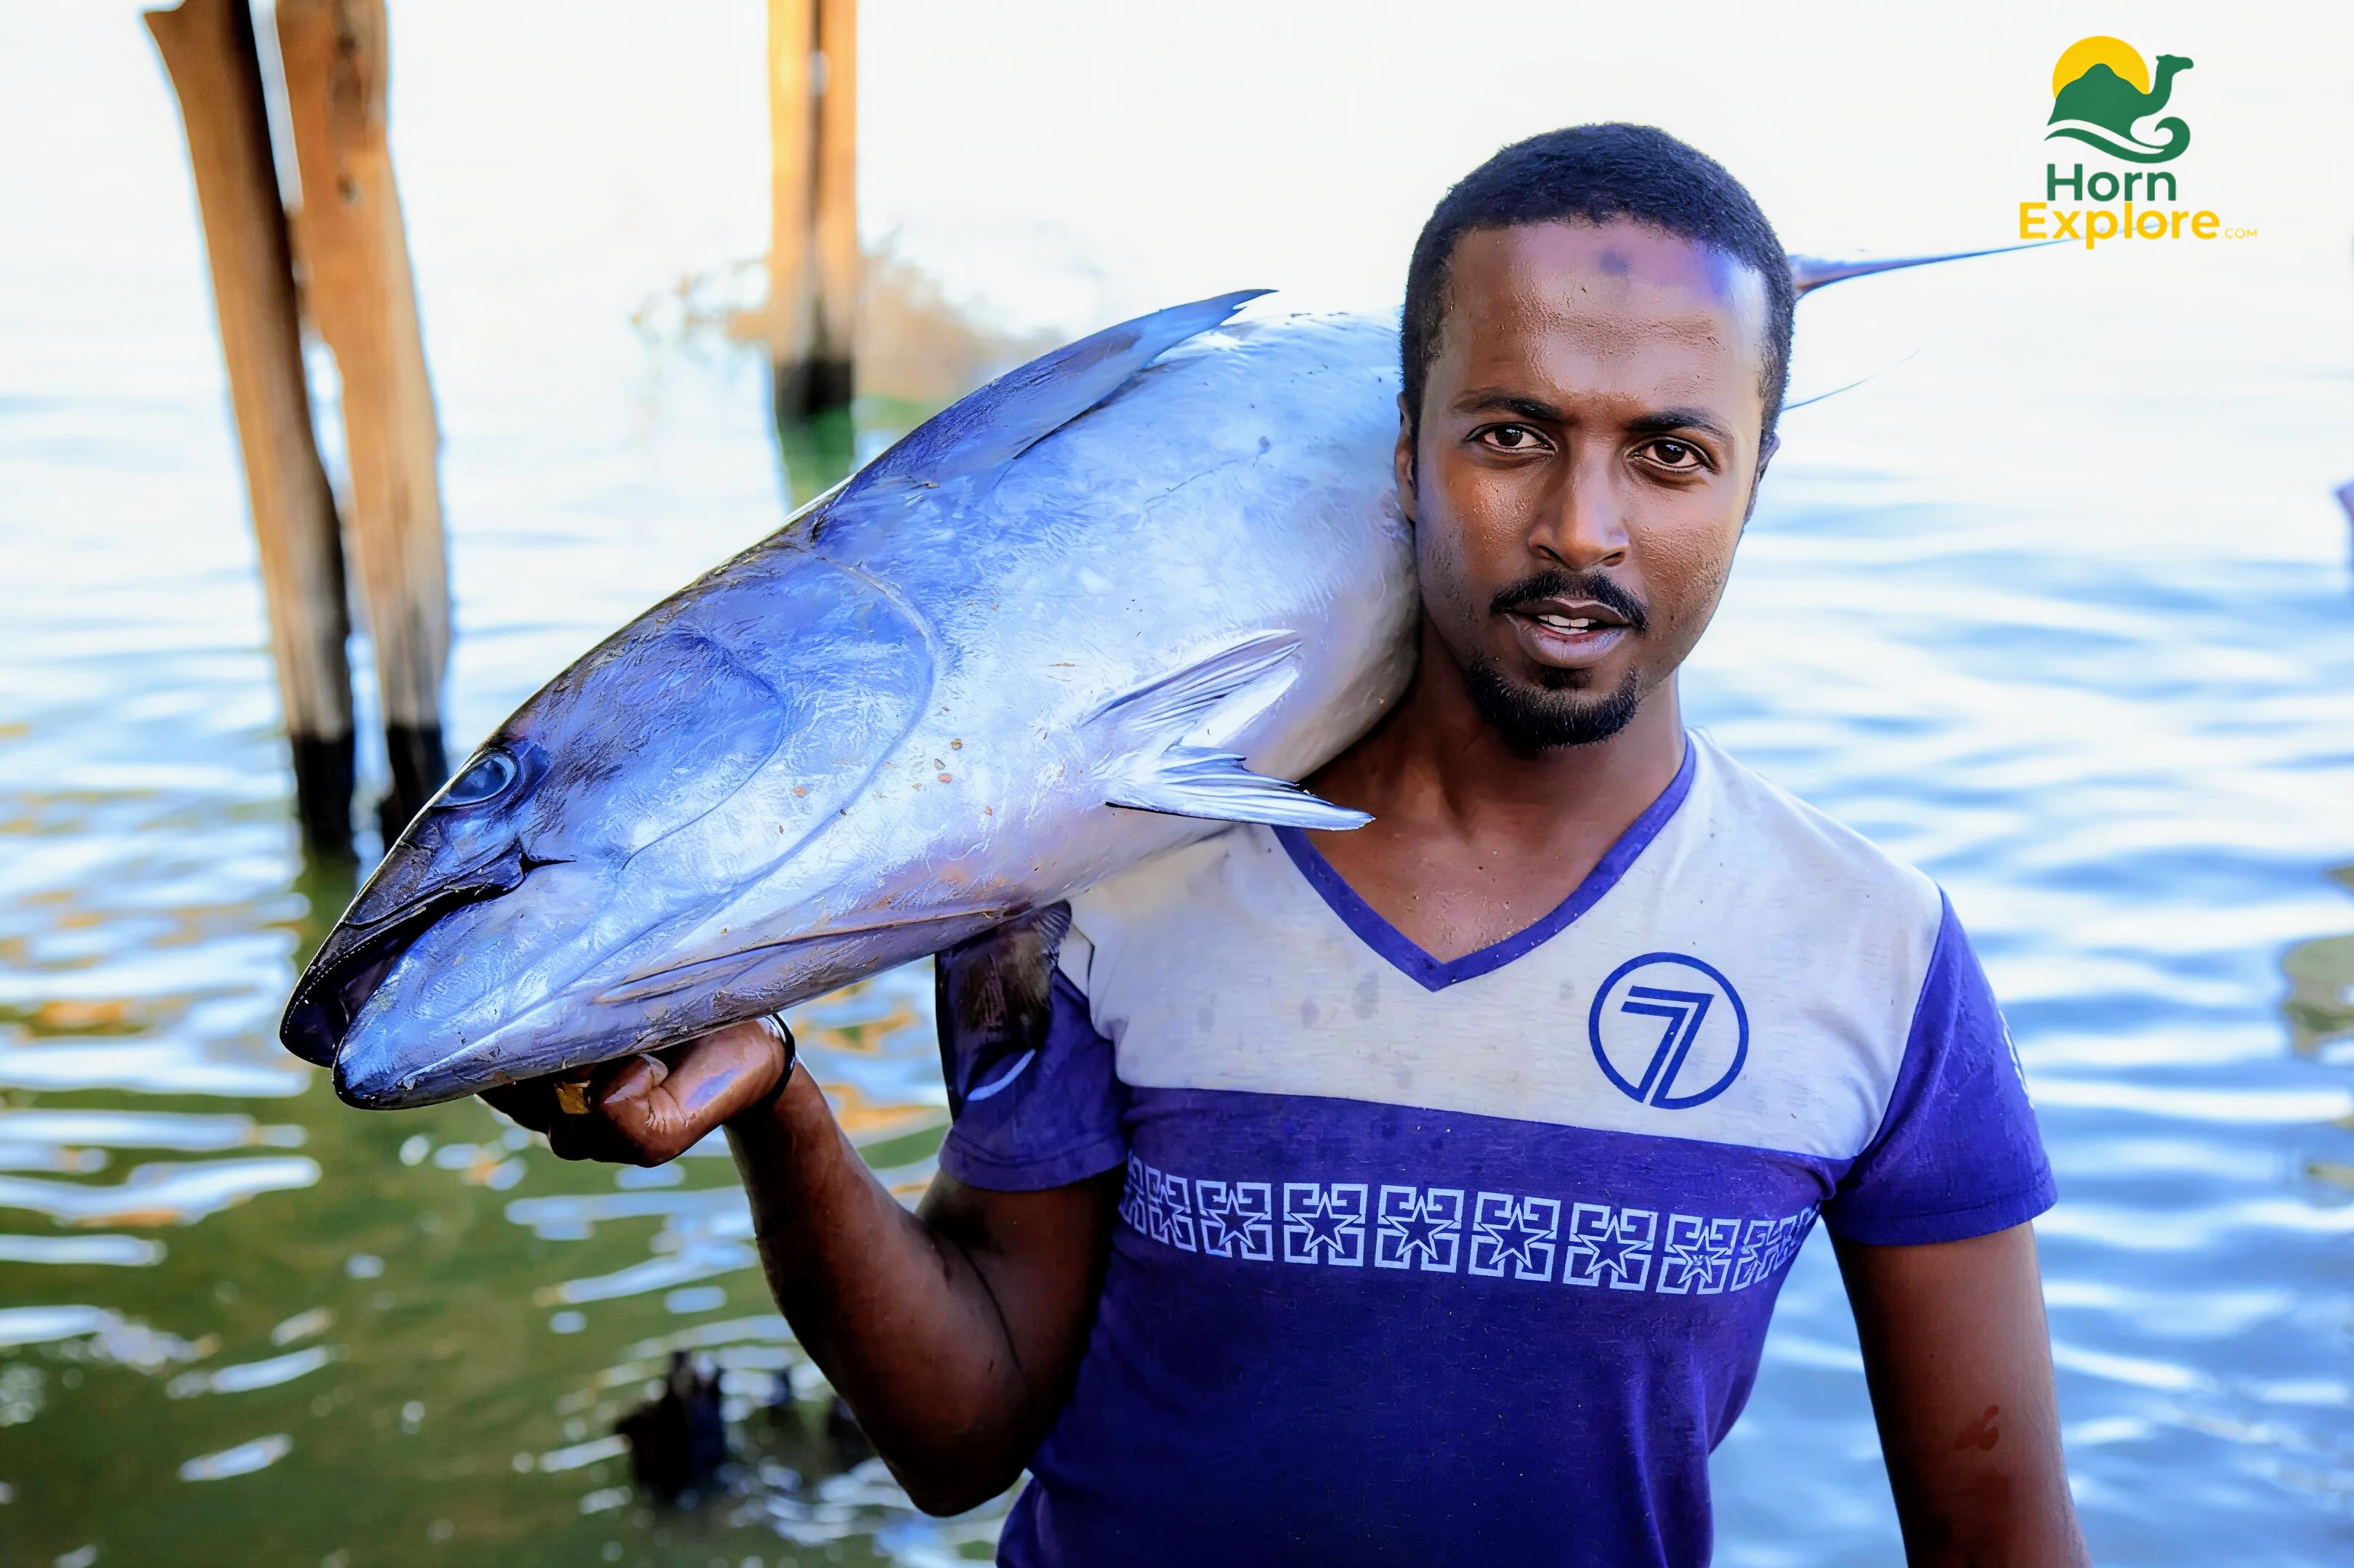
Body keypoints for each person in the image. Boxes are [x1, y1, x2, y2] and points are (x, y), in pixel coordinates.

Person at [487, 124, 2087, 1567]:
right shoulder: (1102, 874)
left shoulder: (1874, 952)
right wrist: (779, 1100)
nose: (1583, 527)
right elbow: (960, 1430)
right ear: (1406, 449)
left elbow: (1999, 1527)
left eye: (1668, 452)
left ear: (1753, 482)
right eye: (1513, 434)